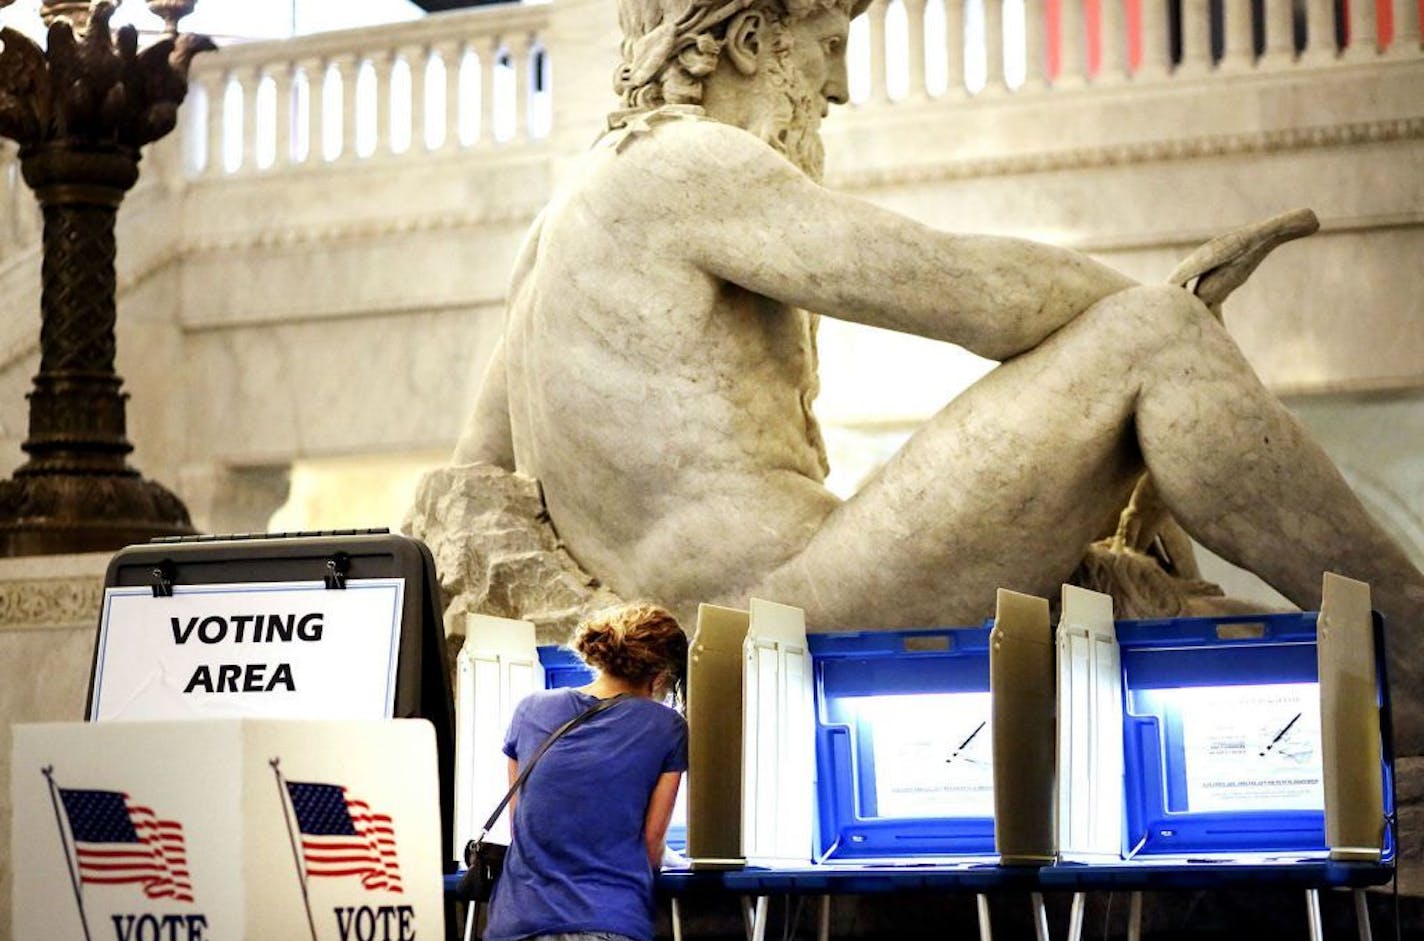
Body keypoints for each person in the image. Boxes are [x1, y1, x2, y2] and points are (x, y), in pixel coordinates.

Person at [452, 0, 1424, 751]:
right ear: (747, 38)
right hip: (788, 611)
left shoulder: (551, 234)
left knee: (1165, 598)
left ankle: (1365, 702)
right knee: (1152, 337)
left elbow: (467, 492)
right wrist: (1165, 307)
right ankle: (1417, 657)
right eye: (825, 42)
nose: (835, 88)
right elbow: (974, 292)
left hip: (716, 631)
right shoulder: (680, 166)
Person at [481, 603, 689, 941]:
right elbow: (651, 849)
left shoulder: (529, 710)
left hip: (516, 931)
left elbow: (522, 827)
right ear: (659, 676)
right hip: (610, 932)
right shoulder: (666, 727)